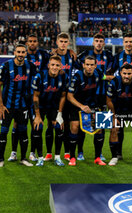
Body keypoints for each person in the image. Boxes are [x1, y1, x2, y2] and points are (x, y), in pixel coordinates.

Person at [8, 34, 50, 163]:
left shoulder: (44, 55)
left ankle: (32, 152)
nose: (32, 43)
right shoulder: (22, 58)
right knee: (17, 124)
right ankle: (14, 152)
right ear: (26, 43)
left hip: (37, 96)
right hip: (22, 97)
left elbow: (56, 57)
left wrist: (70, 50)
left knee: (34, 124)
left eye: (34, 41)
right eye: (30, 41)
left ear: (38, 42)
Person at [0, 44, 38, 167]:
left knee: (23, 132)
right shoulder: (6, 66)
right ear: (14, 52)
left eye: (23, 52)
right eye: (18, 52)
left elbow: (36, 82)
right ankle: (1, 159)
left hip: (23, 106)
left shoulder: (30, 66)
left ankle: (24, 158)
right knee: (4, 132)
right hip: (7, 107)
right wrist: (1, 106)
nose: (20, 54)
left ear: (26, 53)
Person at [75, 33, 113, 161]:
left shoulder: (108, 55)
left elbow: (114, 68)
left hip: (102, 96)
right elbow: (75, 62)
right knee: (83, 125)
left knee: (101, 126)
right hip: (86, 95)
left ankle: (99, 153)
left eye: (101, 41)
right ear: (93, 42)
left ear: (104, 43)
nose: (98, 43)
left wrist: (108, 76)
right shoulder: (85, 54)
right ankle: (80, 152)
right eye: (96, 40)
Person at [66, 55, 107, 166]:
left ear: (95, 65)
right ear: (83, 65)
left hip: (93, 105)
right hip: (77, 105)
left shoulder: (98, 73)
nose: (89, 67)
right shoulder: (77, 77)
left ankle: (98, 157)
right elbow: (69, 96)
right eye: (87, 64)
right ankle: (72, 157)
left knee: (99, 129)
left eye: (91, 65)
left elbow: (106, 78)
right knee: (74, 127)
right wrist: (81, 106)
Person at [106, 63, 132, 166]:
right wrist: (114, 117)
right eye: (124, 73)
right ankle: (114, 157)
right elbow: (109, 100)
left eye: (129, 73)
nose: (126, 76)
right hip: (118, 110)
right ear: (120, 73)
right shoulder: (114, 82)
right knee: (114, 128)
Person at [32, 55, 67, 166]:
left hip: (53, 106)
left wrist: (60, 114)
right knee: (38, 127)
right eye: (52, 65)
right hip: (41, 107)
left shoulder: (63, 77)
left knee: (58, 126)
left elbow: (63, 96)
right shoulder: (40, 76)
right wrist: (37, 116)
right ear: (48, 65)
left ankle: (57, 157)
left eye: (57, 65)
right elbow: (35, 96)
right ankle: (40, 158)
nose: (54, 67)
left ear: (60, 67)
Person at [49, 32, 78, 162]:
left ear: (68, 43)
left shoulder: (72, 56)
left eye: (65, 42)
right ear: (57, 42)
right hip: (53, 94)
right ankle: (50, 153)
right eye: (61, 41)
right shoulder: (50, 56)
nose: (63, 44)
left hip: (68, 95)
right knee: (52, 124)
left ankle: (66, 152)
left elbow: (81, 68)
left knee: (65, 124)